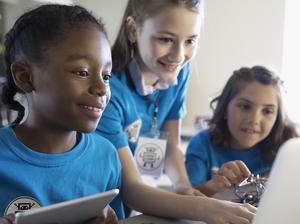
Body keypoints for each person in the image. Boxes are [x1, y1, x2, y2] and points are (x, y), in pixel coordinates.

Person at [96, 1, 256, 223]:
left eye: (190, 40)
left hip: (138, 206)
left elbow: (171, 144)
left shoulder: (177, 71)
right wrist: (205, 208)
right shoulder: (107, 92)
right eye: (165, 39)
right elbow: (132, 191)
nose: (178, 55)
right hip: (104, 209)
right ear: (133, 30)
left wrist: (183, 186)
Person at [0, 4, 120, 223]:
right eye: (82, 72)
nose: (102, 88)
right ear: (25, 77)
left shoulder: (106, 157)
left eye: (106, 76)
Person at [185, 65, 299, 197]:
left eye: (267, 111)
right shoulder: (202, 144)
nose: (254, 119)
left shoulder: (287, 151)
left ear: (277, 118)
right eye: (245, 106)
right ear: (225, 109)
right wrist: (213, 186)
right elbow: (183, 198)